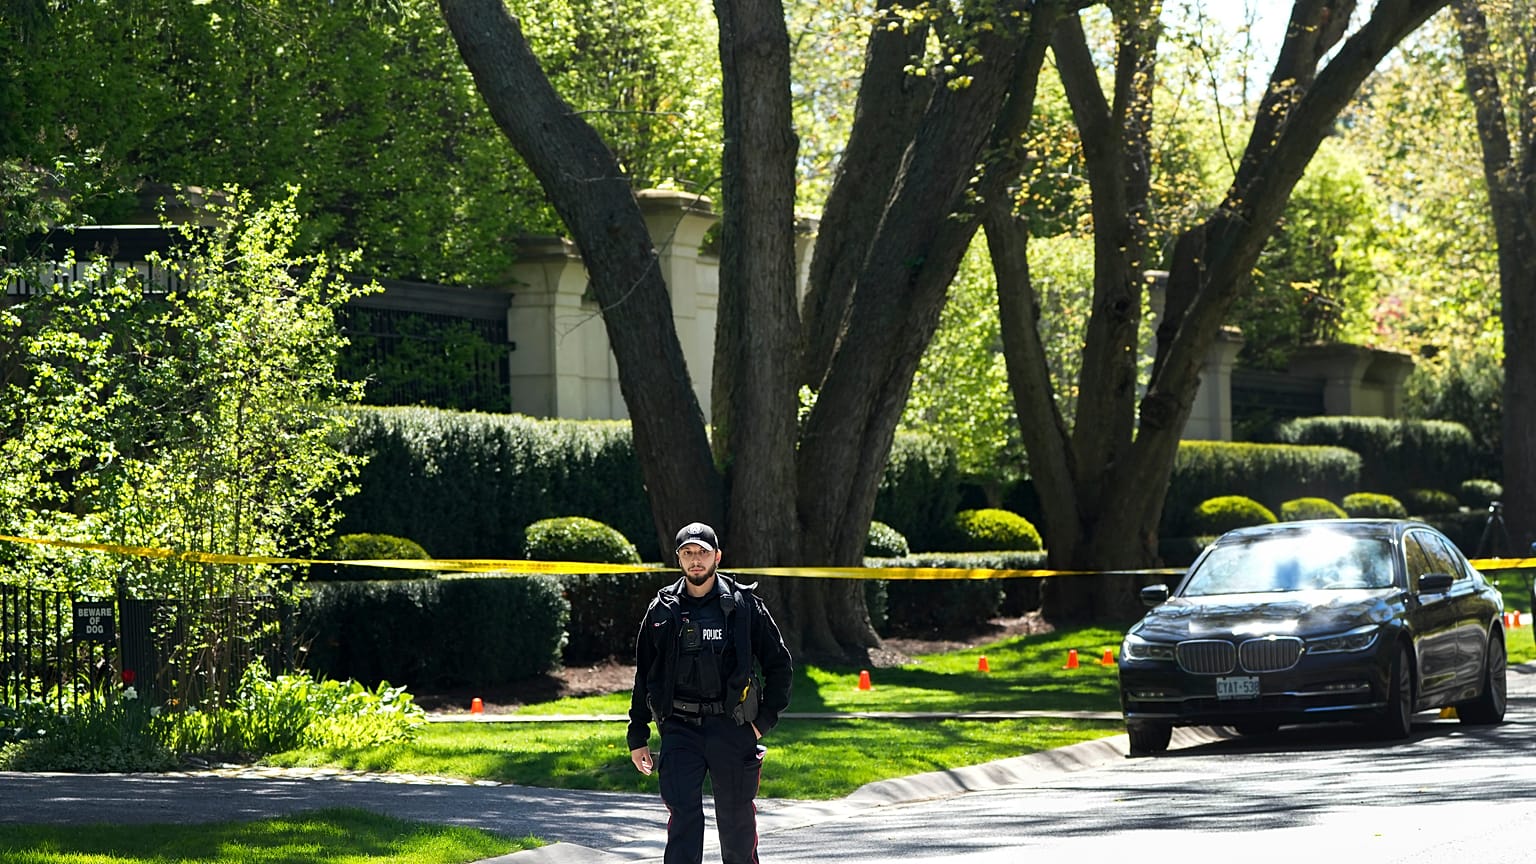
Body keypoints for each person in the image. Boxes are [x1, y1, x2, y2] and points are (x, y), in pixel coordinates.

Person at [627, 521, 793, 864]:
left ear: (717, 556)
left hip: (732, 729)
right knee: (684, 824)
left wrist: (760, 724)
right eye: (687, 553)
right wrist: (637, 735)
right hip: (679, 730)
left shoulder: (744, 606)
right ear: (679, 560)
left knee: (737, 825)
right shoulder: (661, 611)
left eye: (702, 552)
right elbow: (645, 675)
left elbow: (780, 666)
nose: (695, 560)